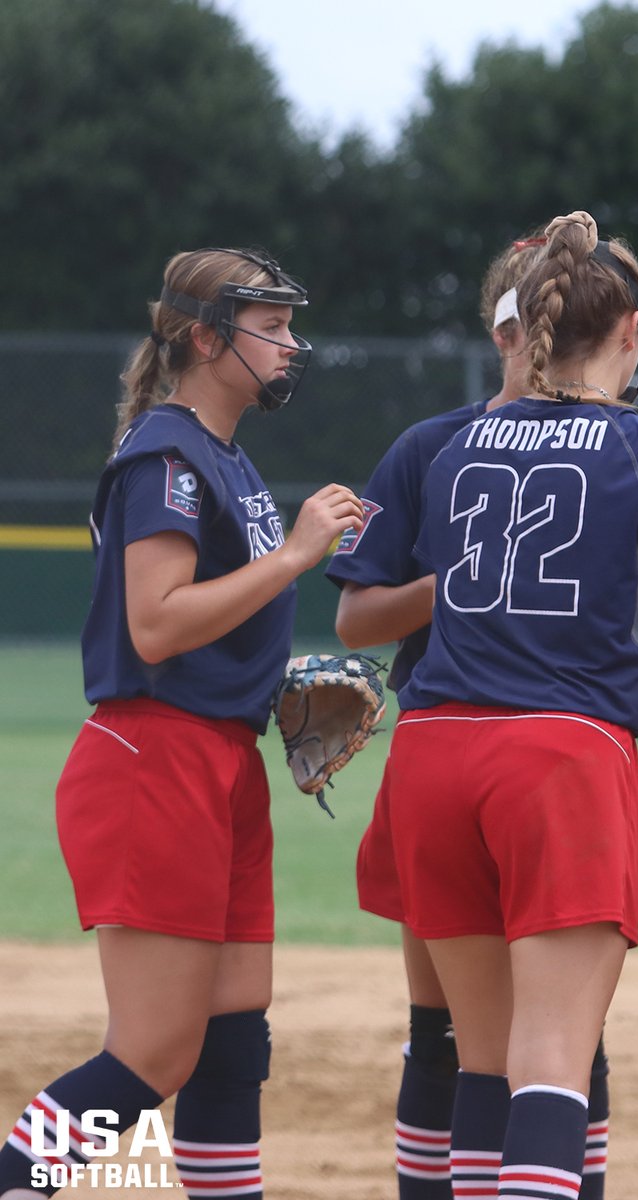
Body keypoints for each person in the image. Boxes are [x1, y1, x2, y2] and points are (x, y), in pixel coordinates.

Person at [363, 209, 638, 1199]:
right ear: (627, 335)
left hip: (433, 751)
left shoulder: (453, 444)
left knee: (484, 1066)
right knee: (555, 1067)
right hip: (556, 759)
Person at [0, 248, 364, 1200]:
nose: (290, 344)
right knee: (154, 1053)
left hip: (216, 759)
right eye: (269, 326)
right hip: (151, 763)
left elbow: (207, 624)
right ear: (207, 339)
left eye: (289, 325)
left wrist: (263, 682)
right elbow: (154, 623)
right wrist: (293, 559)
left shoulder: (224, 456)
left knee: (233, 1035)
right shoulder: (167, 453)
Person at [328, 229, 615, 1200]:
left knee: (570, 1038)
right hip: (444, 751)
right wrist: (467, 584)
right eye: (510, 323)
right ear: (502, 329)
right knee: (444, 1031)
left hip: (550, 755)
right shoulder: (429, 447)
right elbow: (357, 613)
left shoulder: (611, 443)